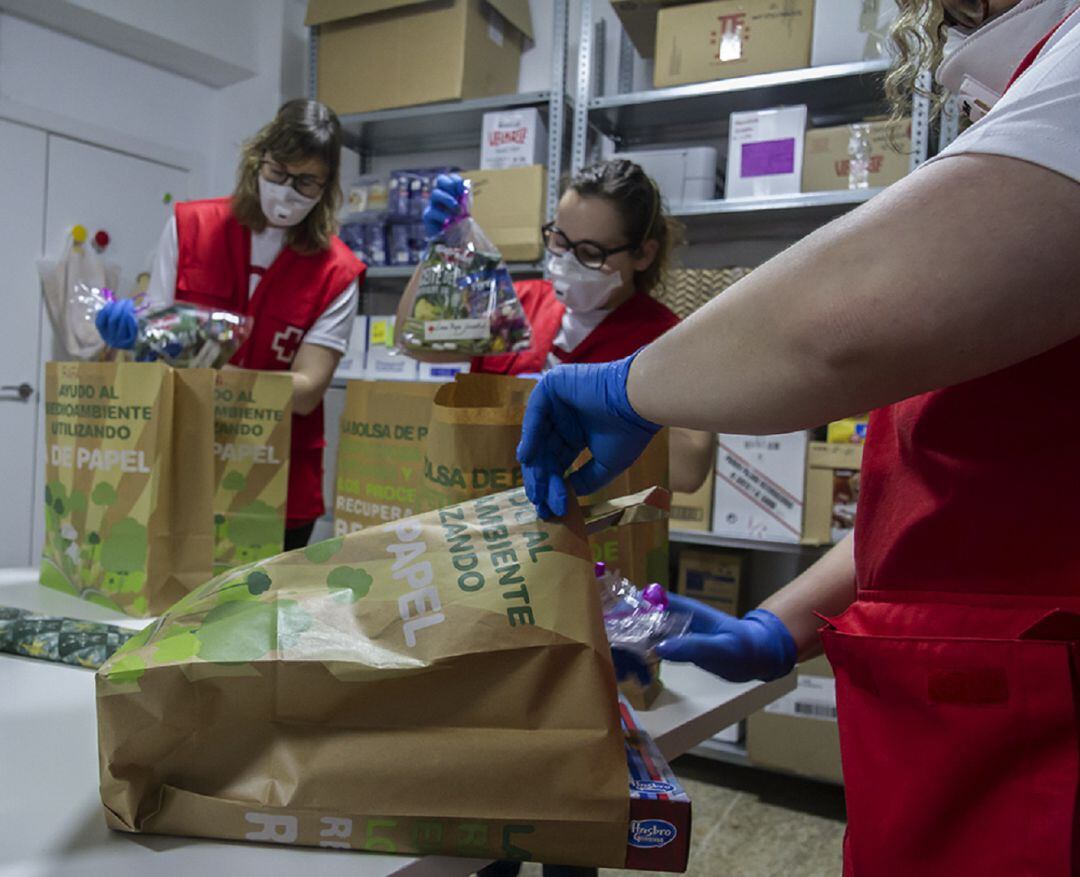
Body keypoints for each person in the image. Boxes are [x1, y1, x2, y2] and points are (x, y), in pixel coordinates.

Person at [517, 0, 1080, 873]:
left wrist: (629, 386)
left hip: (1042, 736)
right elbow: (953, 493)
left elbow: (839, 328)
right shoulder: (1020, 73)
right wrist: (779, 626)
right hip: (957, 714)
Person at [96, 99, 365, 550]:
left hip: (277, 483)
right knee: (173, 608)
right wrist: (136, 336)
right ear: (258, 160)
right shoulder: (190, 226)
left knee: (264, 614)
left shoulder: (337, 271)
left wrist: (216, 376)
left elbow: (308, 391)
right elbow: (156, 348)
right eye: (278, 171)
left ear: (326, 186)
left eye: (306, 181)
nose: (286, 190)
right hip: (184, 463)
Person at [395, 159, 714, 494]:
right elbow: (415, 340)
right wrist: (439, 254)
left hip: (592, 532)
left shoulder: (665, 338)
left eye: (590, 252)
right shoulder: (517, 306)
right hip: (490, 519)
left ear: (643, 254)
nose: (566, 261)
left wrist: (581, 412)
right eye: (560, 241)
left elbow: (689, 468)